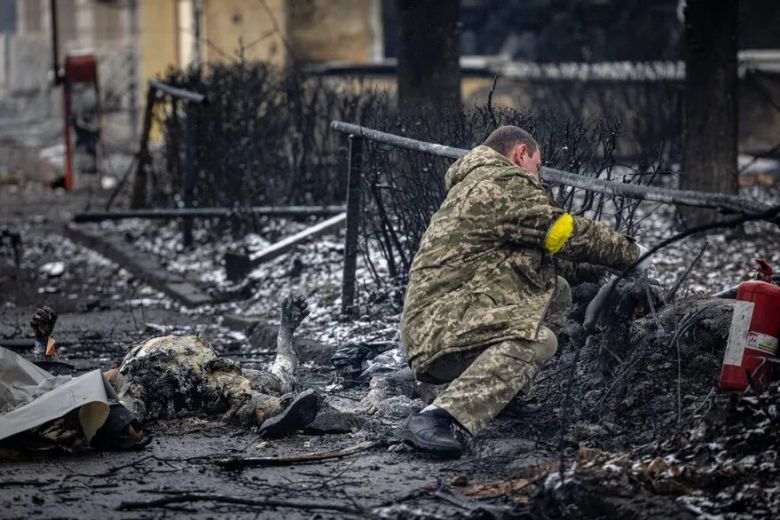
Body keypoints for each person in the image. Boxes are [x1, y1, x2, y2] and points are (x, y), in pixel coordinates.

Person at [397, 126, 648, 456]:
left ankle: (502, 393)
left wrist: (605, 268)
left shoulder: (479, 184)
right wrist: (633, 253)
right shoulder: (500, 182)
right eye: (538, 165)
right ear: (520, 154)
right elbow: (562, 231)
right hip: (442, 329)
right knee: (539, 341)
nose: (538, 175)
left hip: (441, 322)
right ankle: (439, 417)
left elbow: (550, 261)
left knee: (555, 291)